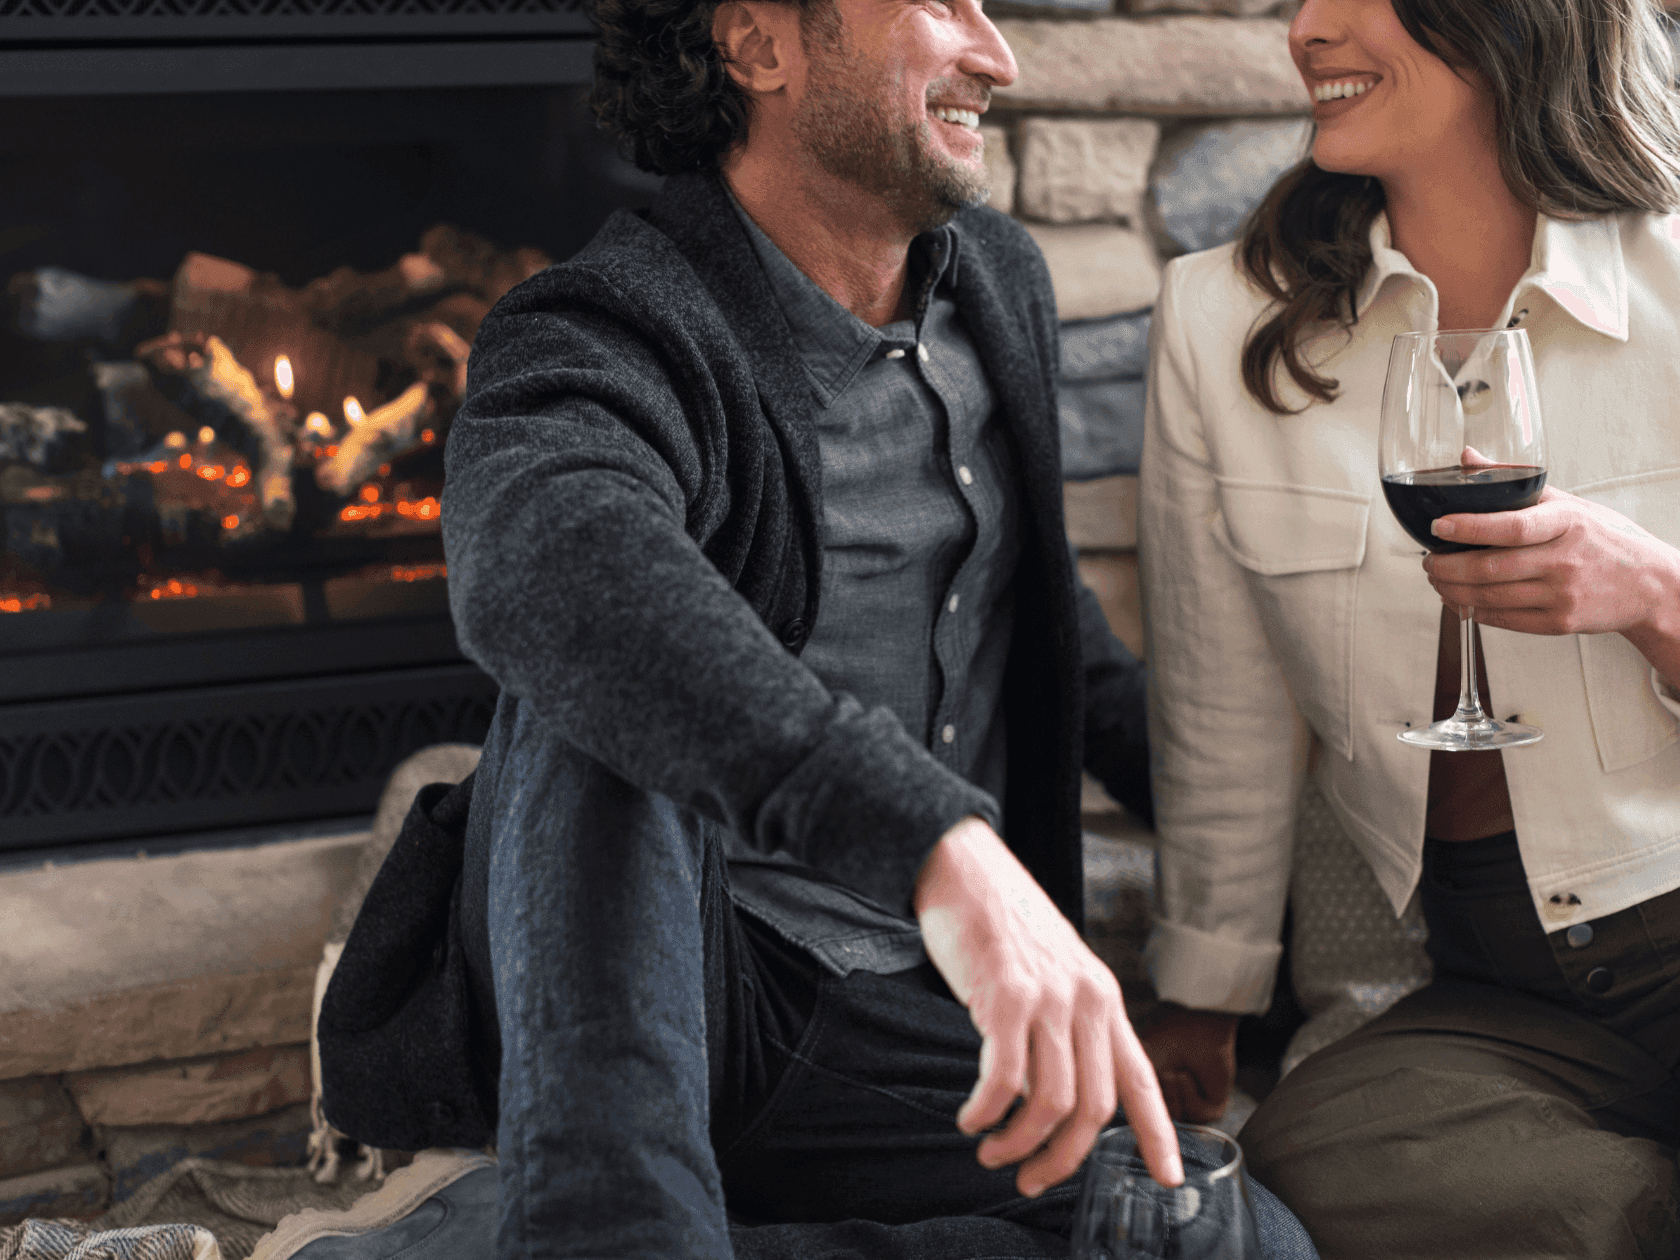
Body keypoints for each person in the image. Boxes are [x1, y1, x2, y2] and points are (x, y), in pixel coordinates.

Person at [315, 0, 1324, 1256]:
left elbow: (1036, 619)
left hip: (895, 1022)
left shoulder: (997, 281)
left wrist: (1290, 844)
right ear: (759, 44)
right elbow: (545, 560)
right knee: (606, 671)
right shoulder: (600, 323)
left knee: (1230, 1240)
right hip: (662, 981)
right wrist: (934, 843)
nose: (997, 55)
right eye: (938, 4)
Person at [1135, 0, 1680, 1254]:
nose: (1305, 28)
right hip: (1507, 983)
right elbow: (1220, 703)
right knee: (1316, 1164)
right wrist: (1205, 993)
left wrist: (1653, 597)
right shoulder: (1220, 320)